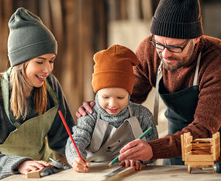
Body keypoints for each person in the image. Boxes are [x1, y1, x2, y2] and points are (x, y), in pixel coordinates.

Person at [77, 0, 221, 165]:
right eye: (159, 44)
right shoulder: (149, 50)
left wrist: (153, 149)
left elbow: (203, 128)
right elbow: (128, 99)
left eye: (175, 47)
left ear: (196, 39)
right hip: (175, 139)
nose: (165, 54)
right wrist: (99, 107)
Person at [0, 7, 75, 181]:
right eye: (40, 62)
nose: (48, 69)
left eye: (51, 61)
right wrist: (19, 164)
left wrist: (78, 153)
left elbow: (65, 139)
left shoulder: (51, 87)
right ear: (20, 62)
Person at [66, 44, 158, 172]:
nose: (113, 104)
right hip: (93, 172)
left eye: (120, 97)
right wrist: (76, 158)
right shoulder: (89, 115)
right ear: (96, 94)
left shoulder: (143, 115)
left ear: (129, 94)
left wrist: (140, 159)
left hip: (133, 174)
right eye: (105, 97)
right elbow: (78, 140)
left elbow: (154, 149)